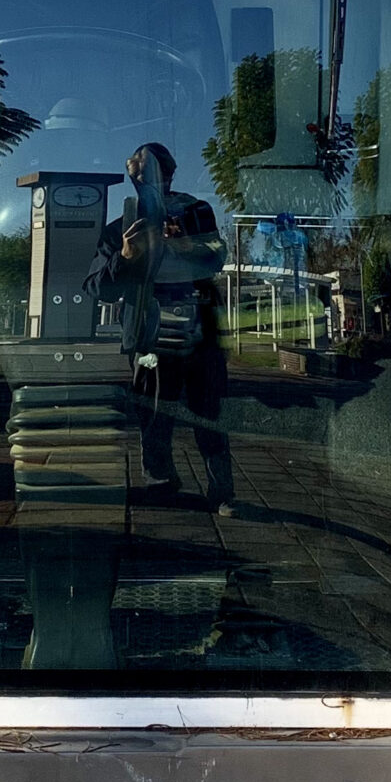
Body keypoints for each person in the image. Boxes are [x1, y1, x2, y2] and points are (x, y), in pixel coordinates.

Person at [92, 143, 235, 514]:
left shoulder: (196, 211)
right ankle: (159, 481)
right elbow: (98, 287)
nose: (151, 181)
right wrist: (125, 257)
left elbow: (216, 257)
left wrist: (184, 243)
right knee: (153, 409)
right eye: (139, 173)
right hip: (149, 330)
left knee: (208, 409)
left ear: (171, 174)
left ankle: (221, 490)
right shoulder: (123, 223)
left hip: (199, 331)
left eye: (157, 173)